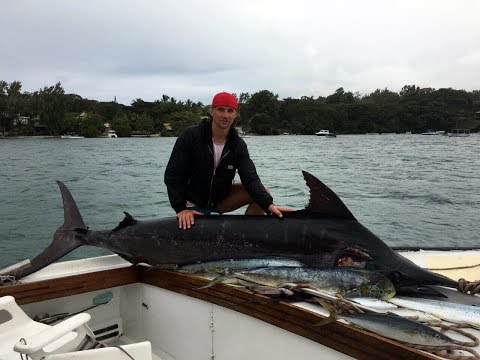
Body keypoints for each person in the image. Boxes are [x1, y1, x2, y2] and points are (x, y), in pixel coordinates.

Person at [164, 91, 292, 229]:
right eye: (221, 109)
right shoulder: (191, 136)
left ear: (235, 115)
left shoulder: (238, 144)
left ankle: (248, 238)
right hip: (191, 202)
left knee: (263, 194)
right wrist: (181, 209)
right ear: (211, 111)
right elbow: (173, 175)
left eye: (230, 111)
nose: (225, 115)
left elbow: (251, 179)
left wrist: (269, 206)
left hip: (220, 201)